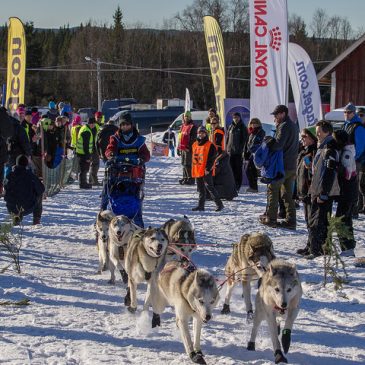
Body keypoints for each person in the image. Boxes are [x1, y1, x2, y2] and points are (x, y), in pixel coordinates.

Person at [104, 112, 150, 226]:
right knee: (107, 190)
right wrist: (111, 155)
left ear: (131, 125)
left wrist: (142, 158)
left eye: (127, 124)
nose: (125, 127)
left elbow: (146, 154)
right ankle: (103, 216)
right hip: (117, 170)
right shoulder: (115, 138)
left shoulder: (139, 140)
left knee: (137, 196)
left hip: (134, 172)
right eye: (122, 125)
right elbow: (109, 149)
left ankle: (137, 222)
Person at [259, 105, 299, 230]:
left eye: (276, 114)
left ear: (283, 113)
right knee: (287, 194)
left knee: (273, 190)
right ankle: (291, 220)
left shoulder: (284, 126)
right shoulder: (293, 125)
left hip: (281, 166)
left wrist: (269, 140)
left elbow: (278, 145)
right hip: (291, 165)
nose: (275, 117)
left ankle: (271, 219)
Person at [306, 120, 340, 259]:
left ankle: (317, 251)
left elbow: (329, 173)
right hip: (318, 189)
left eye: (319, 131)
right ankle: (320, 249)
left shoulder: (330, 148)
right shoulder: (322, 146)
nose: (317, 133)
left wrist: (324, 193)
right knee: (318, 221)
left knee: (318, 222)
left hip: (323, 192)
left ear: (326, 132)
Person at [333, 130, 357, 257]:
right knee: (345, 220)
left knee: (341, 221)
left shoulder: (346, 153)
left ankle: (348, 248)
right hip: (348, 192)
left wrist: (336, 166)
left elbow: (347, 174)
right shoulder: (346, 151)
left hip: (348, 193)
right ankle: (349, 247)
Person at [4, 154, 45, 225]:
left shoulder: (9, 176)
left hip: (12, 207)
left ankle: (16, 219)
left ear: (16, 164)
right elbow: (41, 189)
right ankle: (36, 219)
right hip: (28, 207)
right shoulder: (31, 176)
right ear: (27, 164)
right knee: (39, 194)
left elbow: (6, 189)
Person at [296, 128, 318, 256]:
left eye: (305, 136)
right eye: (302, 136)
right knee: (307, 220)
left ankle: (313, 246)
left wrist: (310, 168)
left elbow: (314, 173)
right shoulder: (304, 151)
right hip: (303, 190)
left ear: (312, 137)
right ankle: (309, 244)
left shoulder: (314, 151)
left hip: (310, 191)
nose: (302, 139)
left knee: (312, 220)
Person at [191, 126, 223, 212]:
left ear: (206, 134)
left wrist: (208, 169)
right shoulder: (194, 144)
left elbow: (212, 159)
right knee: (201, 189)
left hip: (206, 170)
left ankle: (219, 204)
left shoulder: (210, 145)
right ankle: (201, 206)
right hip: (197, 170)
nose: (201, 134)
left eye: (203, 133)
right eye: (199, 133)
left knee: (210, 188)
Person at [226, 112, 248, 191]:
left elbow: (245, 141)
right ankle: (232, 184)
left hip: (238, 153)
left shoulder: (242, 127)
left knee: (238, 169)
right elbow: (227, 138)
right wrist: (226, 148)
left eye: (237, 117)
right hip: (230, 152)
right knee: (231, 169)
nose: (236, 119)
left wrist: (242, 150)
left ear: (240, 118)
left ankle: (238, 185)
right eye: (234, 117)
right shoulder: (231, 126)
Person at [244, 118, 266, 193]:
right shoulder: (251, 132)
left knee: (249, 169)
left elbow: (260, 143)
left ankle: (253, 187)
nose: (253, 124)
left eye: (255, 123)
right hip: (251, 152)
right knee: (250, 170)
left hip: (256, 153)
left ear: (258, 123)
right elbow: (248, 143)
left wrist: (254, 149)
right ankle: (253, 187)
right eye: (252, 123)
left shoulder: (261, 131)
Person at [177, 111, 197, 185]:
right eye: (185, 116)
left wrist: (189, 147)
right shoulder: (183, 126)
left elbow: (193, 138)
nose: (186, 118)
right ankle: (185, 177)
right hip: (182, 147)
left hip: (188, 148)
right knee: (183, 163)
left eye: (188, 116)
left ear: (190, 117)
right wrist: (178, 147)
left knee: (188, 164)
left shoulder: (193, 126)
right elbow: (180, 137)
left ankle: (191, 179)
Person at [76, 118, 96, 189]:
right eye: (94, 124)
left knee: (83, 169)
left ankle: (83, 183)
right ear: (91, 123)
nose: (94, 125)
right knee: (84, 169)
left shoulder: (84, 128)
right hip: (83, 154)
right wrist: (87, 157)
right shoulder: (87, 131)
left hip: (81, 153)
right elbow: (86, 145)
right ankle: (83, 184)